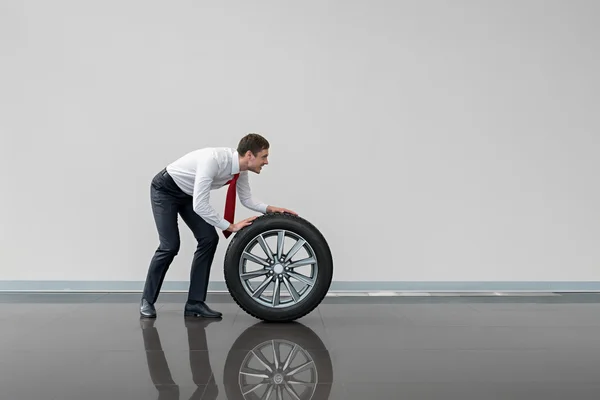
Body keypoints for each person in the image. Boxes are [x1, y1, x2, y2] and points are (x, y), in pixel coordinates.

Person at [140, 133, 296, 319]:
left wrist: (271, 209)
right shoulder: (213, 161)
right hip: (165, 190)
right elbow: (200, 205)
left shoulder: (241, 170)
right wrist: (229, 226)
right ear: (249, 155)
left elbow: (246, 199)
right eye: (264, 156)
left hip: (187, 195)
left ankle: (194, 303)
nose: (266, 162)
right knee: (170, 246)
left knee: (209, 239)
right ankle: (147, 301)